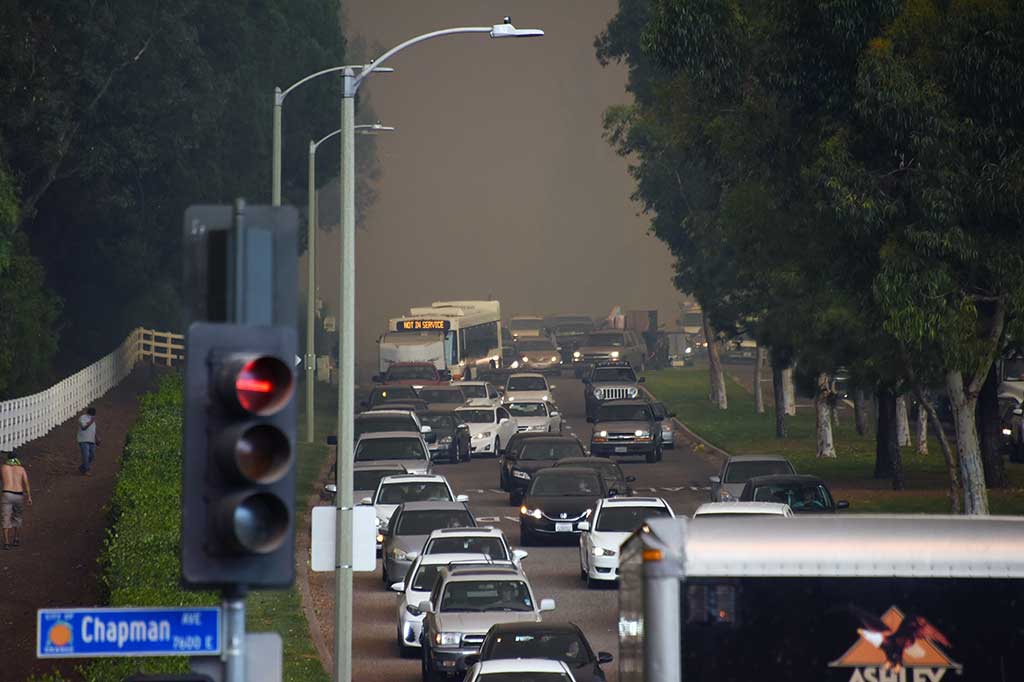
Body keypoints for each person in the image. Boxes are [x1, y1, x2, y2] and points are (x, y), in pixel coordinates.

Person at [1, 453, 32, 550]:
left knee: (5, 517)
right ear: (17, 458)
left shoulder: (3, 467)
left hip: (7, 494)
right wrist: (29, 496)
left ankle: (6, 542)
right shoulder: (21, 469)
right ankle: (16, 538)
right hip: (18, 494)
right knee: (17, 517)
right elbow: (26, 483)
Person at [77, 406, 99, 475]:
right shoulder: (82, 418)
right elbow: (83, 428)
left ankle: (83, 467)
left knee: (92, 455)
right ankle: (86, 470)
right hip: (83, 439)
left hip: (91, 439)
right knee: (86, 455)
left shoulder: (92, 420)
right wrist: (91, 421)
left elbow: (93, 430)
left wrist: (97, 438)